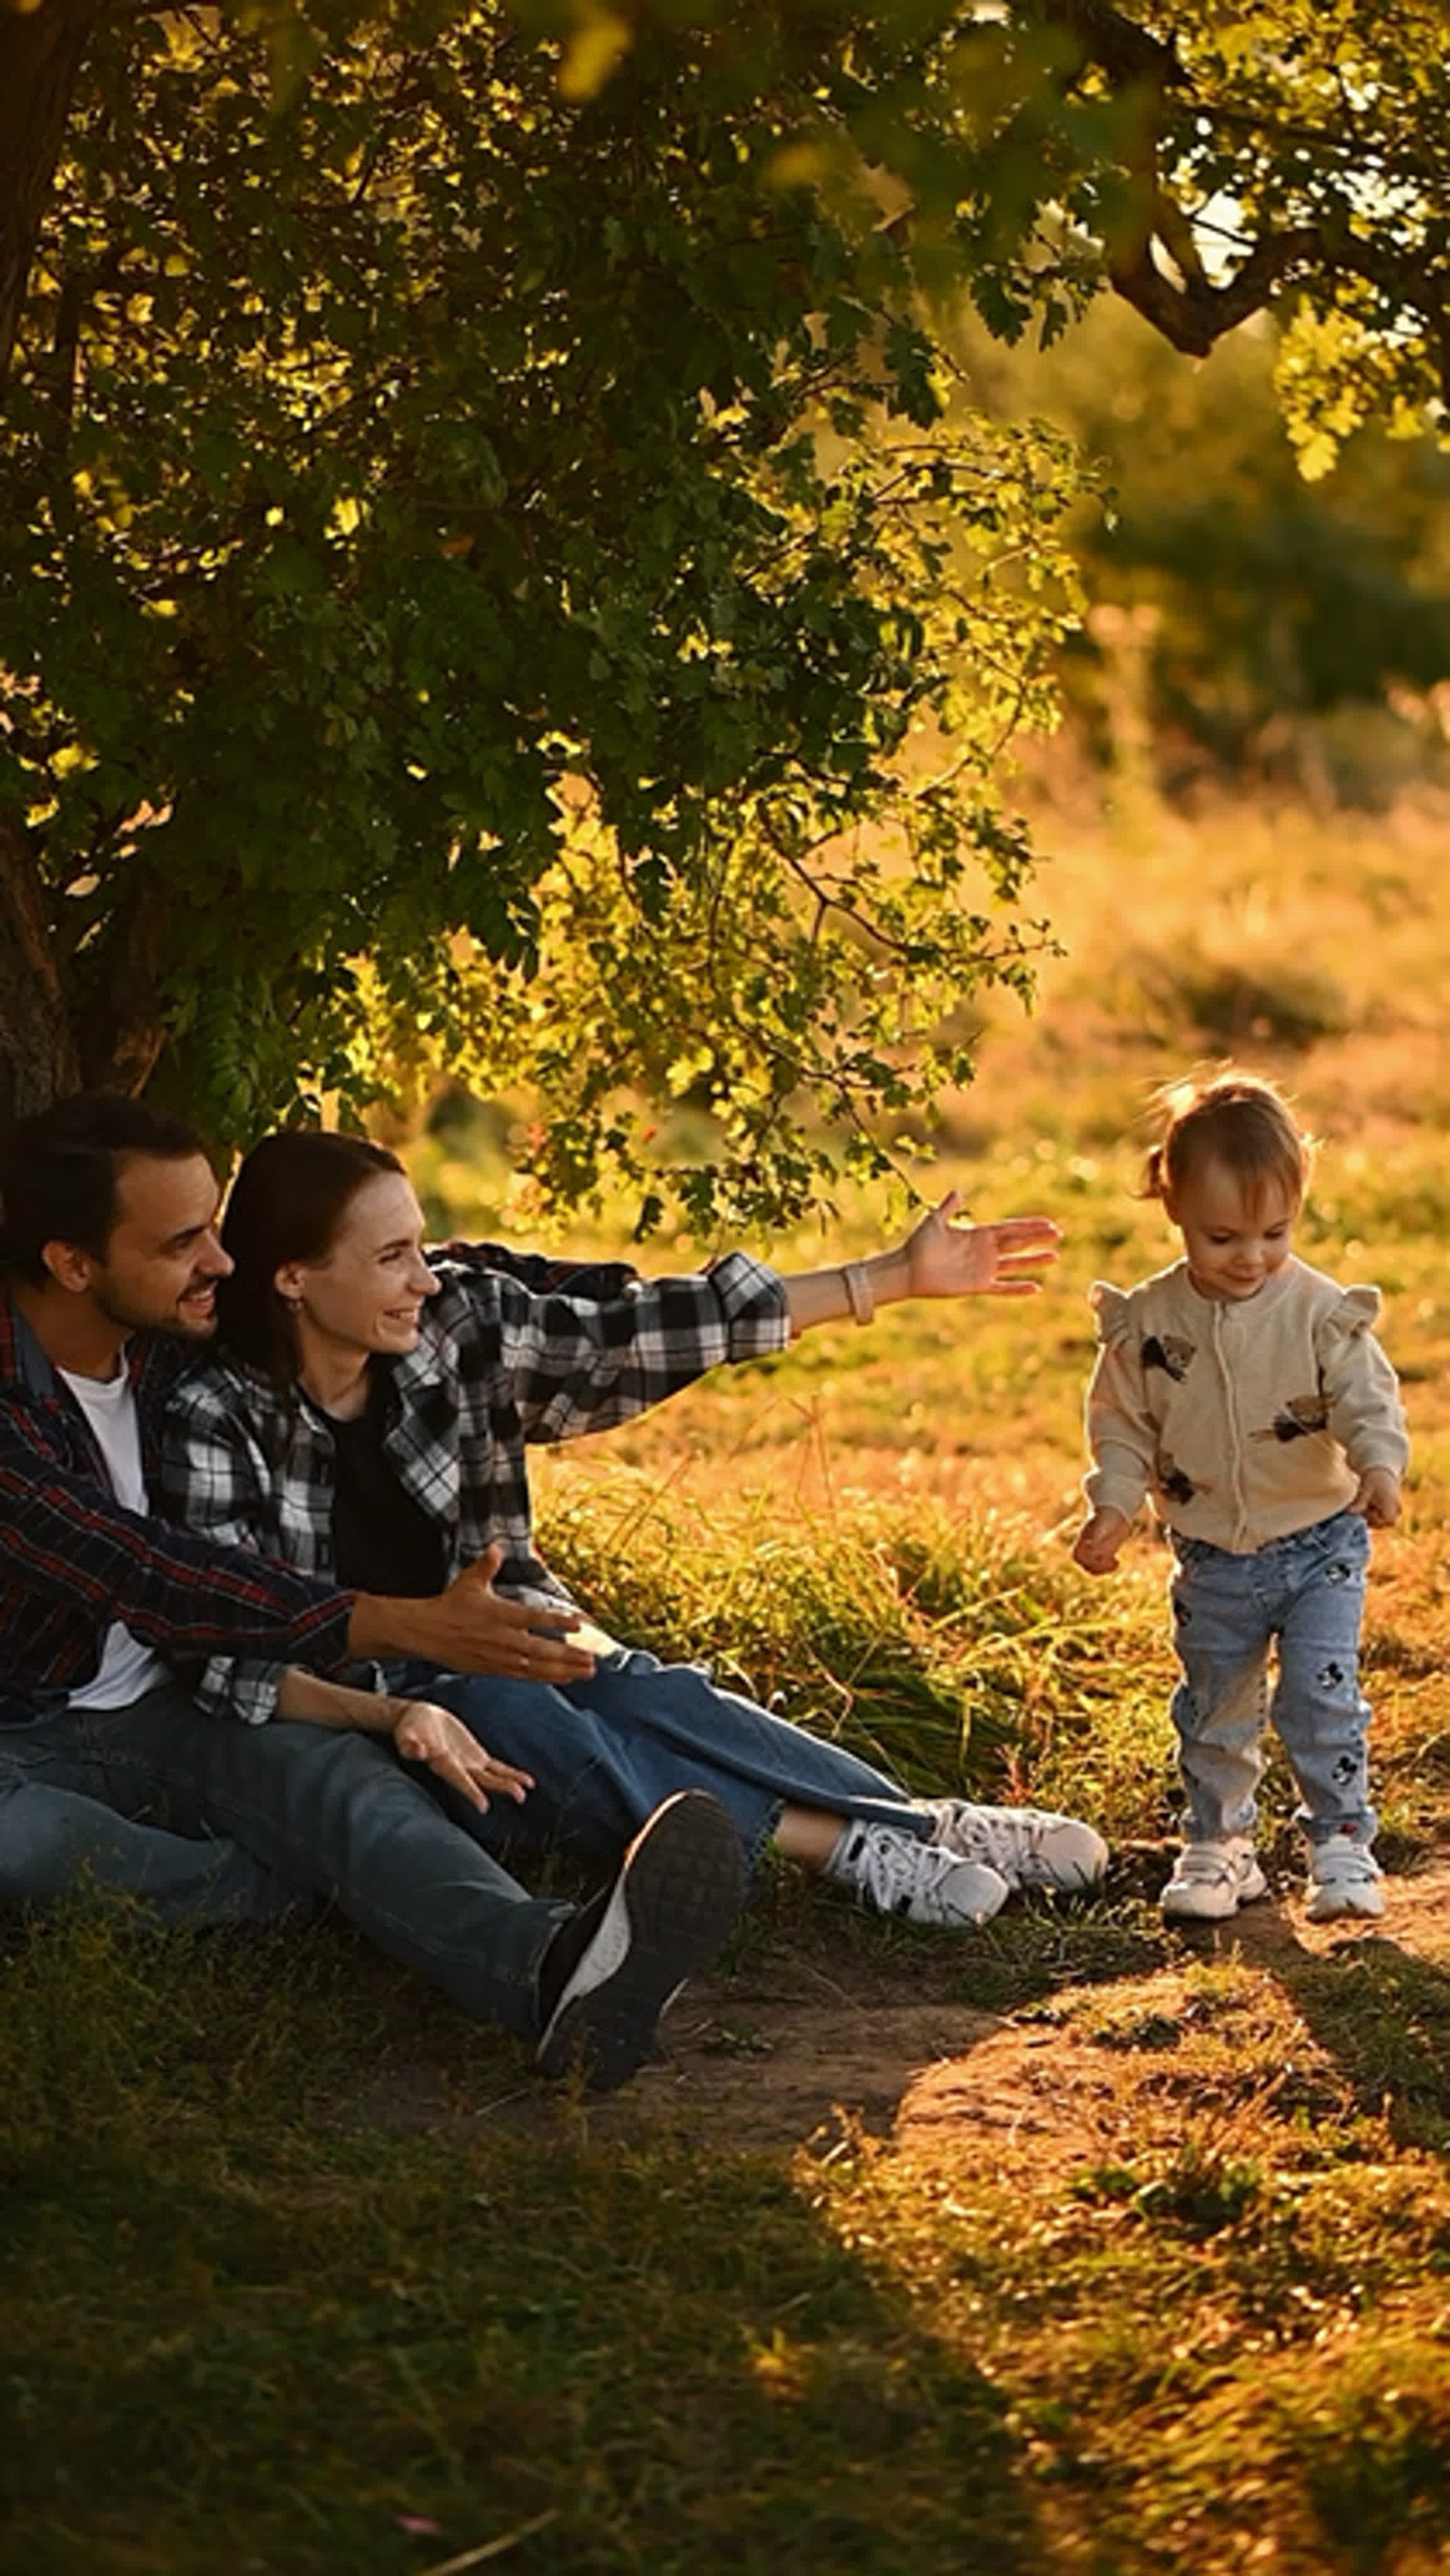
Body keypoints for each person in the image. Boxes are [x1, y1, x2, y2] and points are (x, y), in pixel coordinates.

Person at [159, 1129, 1109, 1944]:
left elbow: (646, 1332)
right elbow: (236, 1660)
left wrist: (892, 1277)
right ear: (293, 1277)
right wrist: (404, 1685)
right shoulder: (217, 1412)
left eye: (420, 1245)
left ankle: (921, 1822)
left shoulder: (459, 1324)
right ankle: (848, 1849)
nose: (423, 1276)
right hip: (362, 1707)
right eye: (390, 1257)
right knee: (524, 1716)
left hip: (502, 1640)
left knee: (641, 1689)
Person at [0, 1093, 752, 2090]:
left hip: (168, 1706)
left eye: (218, 1230)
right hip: (19, 1727)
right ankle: (320, 1887)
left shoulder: (172, 1338)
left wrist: (719, 1295)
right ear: (72, 1262)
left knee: (339, 1787)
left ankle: (553, 1969)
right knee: (34, 1848)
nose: (220, 1262)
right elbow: (141, 1569)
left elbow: (479, 1282)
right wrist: (401, 1625)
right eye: (184, 1240)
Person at [1071, 1072, 1408, 1926]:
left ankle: (1339, 1840)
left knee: (1317, 1694)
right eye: (1223, 1235)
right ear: (1173, 1204)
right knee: (1215, 1706)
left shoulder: (1320, 1312)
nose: (1252, 1255)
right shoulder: (1146, 1323)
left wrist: (1378, 1466)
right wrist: (1112, 1503)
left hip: (1320, 1541)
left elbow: (1369, 1400)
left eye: (1275, 1232)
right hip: (1212, 1554)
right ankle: (1221, 1845)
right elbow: (1122, 1425)